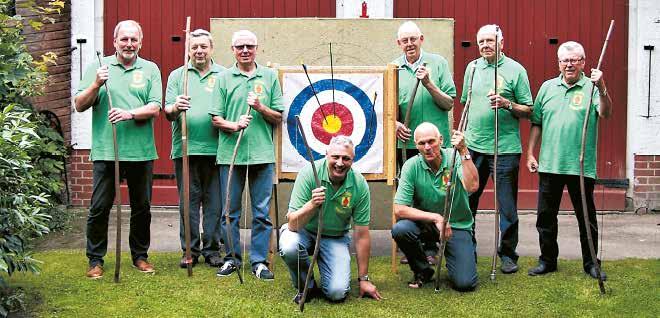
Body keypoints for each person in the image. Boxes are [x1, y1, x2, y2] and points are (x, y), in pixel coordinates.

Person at [74, 20, 162, 278]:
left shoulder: (150, 69)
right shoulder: (98, 68)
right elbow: (79, 105)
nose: (129, 44)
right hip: (106, 151)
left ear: (140, 42)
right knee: (100, 207)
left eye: (134, 39)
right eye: (124, 39)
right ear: (114, 42)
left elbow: (155, 107)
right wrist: (95, 85)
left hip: (141, 151)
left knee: (142, 207)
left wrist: (129, 114)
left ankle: (140, 256)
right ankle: (95, 260)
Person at [526, 41, 612, 280]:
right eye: (565, 60)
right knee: (545, 217)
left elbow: (605, 113)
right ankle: (547, 261)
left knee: (586, 218)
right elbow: (537, 123)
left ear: (583, 62)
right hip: (550, 163)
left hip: (580, 166)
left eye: (575, 60)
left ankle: (592, 264)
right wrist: (531, 153)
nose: (569, 64)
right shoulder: (547, 87)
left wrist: (602, 87)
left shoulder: (592, 87)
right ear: (559, 63)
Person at [210, 30, 283, 280]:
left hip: (263, 156)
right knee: (230, 212)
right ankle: (231, 259)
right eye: (240, 46)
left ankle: (259, 261)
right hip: (231, 156)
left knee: (261, 212)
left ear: (256, 48)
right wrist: (233, 125)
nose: (244, 50)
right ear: (232, 49)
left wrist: (260, 107)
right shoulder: (223, 78)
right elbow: (216, 118)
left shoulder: (270, 77)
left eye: (249, 46)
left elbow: (278, 117)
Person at [461, 24, 533, 274]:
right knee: (468, 199)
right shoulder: (471, 68)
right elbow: (466, 104)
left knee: (506, 205)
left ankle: (508, 254)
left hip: (505, 149)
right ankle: (466, 247)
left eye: (490, 40)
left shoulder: (516, 70)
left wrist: (506, 104)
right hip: (474, 146)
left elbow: (529, 109)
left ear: (501, 42)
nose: (485, 46)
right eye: (481, 42)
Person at [279, 136, 382, 304]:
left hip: (335, 237)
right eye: (335, 157)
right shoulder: (308, 173)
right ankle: (307, 285)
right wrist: (312, 204)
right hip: (303, 231)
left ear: (353, 160)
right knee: (290, 246)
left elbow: (362, 234)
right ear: (326, 154)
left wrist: (364, 278)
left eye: (346, 158)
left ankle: (327, 267)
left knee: (337, 293)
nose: (340, 163)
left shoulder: (359, 184)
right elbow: (292, 224)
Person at [392, 20, 457, 265]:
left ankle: (432, 245)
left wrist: (429, 83)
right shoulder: (394, 68)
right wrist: (395, 124)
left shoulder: (438, 63)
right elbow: (388, 109)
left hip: (434, 146)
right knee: (410, 196)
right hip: (407, 146)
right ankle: (413, 246)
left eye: (413, 39)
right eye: (404, 40)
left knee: (433, 193)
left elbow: (449, 103)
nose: (409, 44)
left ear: (421, 39)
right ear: (399, 43)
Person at [391, 122, 479, 291]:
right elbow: (399, 209)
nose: (427, 147)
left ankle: (458, 255)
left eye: (431, 141)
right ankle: (423, 270)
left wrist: (464, 151)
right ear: (415, 145)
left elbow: (472, 187)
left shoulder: (455, 157)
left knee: (465, 283)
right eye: (421, 143)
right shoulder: (411, 166)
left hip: (457, 225)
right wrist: (437, 217)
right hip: (428, 224)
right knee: (401, 229)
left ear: (441, 140)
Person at [164, 29, 225, 269]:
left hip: (217, 149)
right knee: (188, 203)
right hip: (186, 149)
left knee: (214, 204)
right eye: (194, 47)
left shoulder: (223, 75)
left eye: (203, 46)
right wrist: (176, 107)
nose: (199, 51)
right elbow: (167, 113)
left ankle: (212, 249)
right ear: (188, 50)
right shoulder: (178, 75)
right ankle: (189, 250)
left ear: (211, 48)